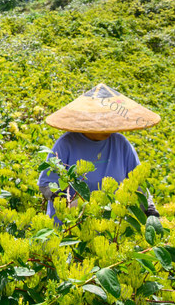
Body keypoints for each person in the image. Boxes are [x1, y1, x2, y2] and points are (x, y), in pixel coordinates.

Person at [37, 83, 159, 220]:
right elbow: (45, 185)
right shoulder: (66, 144)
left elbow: (138, 184)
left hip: (109, 231)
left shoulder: (121, 144)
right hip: (69, 226)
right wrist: (72, 206)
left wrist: (152, 215)